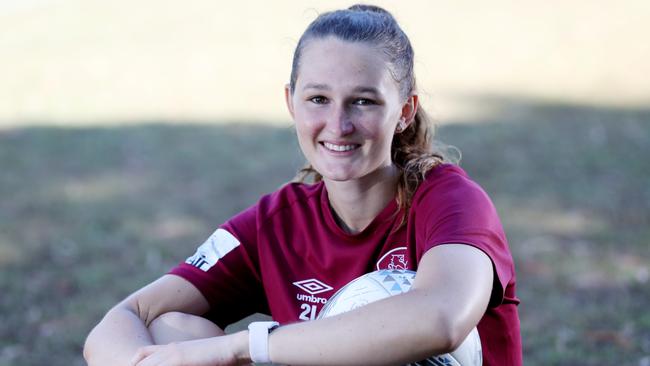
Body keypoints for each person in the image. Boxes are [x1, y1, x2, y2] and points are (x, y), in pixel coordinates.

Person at [84, 4, 522, 365]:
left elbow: (441, 319)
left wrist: (242, 348)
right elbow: (126, 318)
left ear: (405, 111)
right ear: (290, 102)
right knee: (172, 326)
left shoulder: (450, 200)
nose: (339, 124)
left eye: (363, 101)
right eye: (318, 99)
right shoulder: (276, 223)